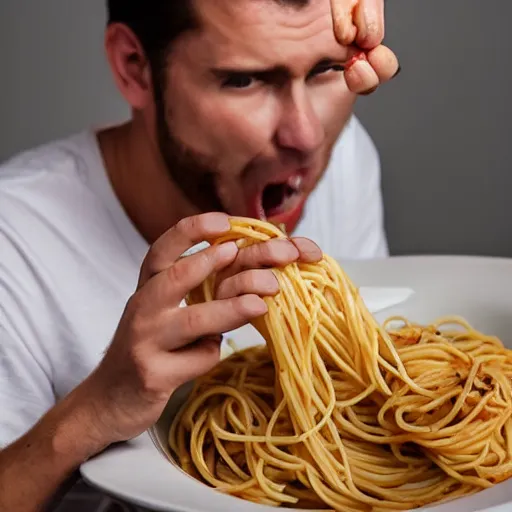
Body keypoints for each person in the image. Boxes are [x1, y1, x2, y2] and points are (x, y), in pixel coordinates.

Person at [0, 0, 399, 510]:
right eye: (244, 81)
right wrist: (93, 412)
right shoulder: (15, 244)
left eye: (326, 70)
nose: (306, 136)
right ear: (134, 68)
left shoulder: (345, 163)